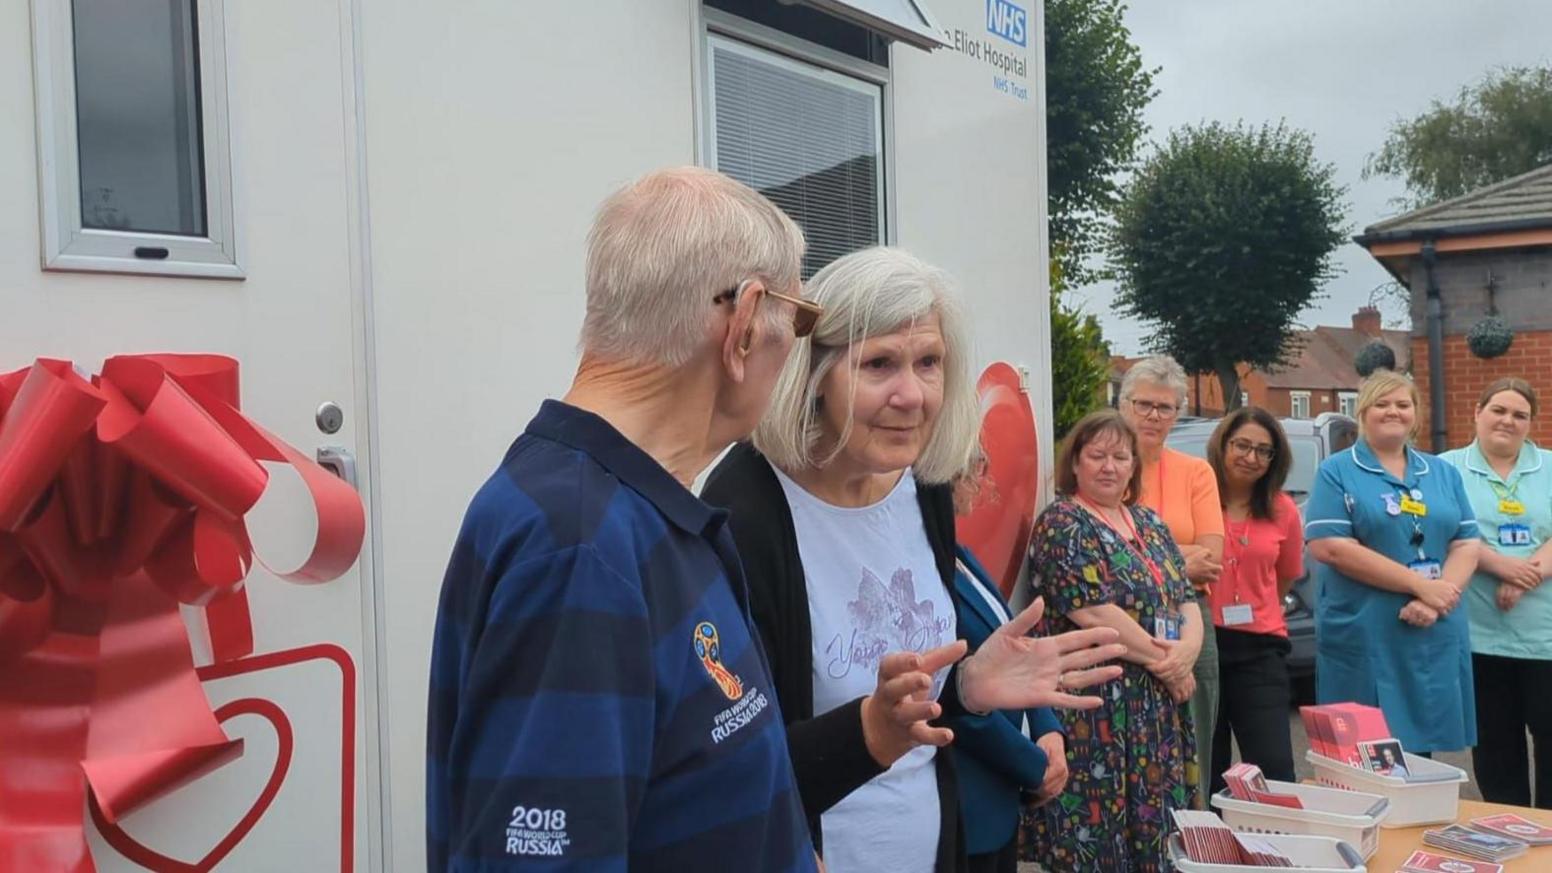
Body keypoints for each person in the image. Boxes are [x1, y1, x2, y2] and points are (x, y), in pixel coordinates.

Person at [428, 168, 938, 871]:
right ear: (742, 324)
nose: (792, 349)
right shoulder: (581, 550)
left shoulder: (640, 511)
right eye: (798, 321)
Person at [702, 247, 1125, 873]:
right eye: (878, 364)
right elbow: (728, 757)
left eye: (928, 362)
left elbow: (917, 714)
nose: (913, 395)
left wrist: (970, 688)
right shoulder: (745, 511)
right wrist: (869, 727)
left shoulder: (920, 485)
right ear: (814, 375)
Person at [1025, 409, 1200, 873]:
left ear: (1133, 466)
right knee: (1098, 845)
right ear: (1076, 463)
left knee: (1158, 838)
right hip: (1096, 711)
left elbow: (1186, 600)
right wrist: (1171, 665)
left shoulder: (1149, 522)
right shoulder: (1063, 522)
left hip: (1155, 708)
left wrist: (1186, 655)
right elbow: (1093, 611)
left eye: (1120, 456)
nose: (1109, 466)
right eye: (1096, 455)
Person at [1305, 370, 1480, 757]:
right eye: (1382, 404)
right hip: (1368, 632)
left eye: (1403, 404)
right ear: (1363, 412)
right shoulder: (1336, 471)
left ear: (1416, 413)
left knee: (1420, 757)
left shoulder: (1442, 472)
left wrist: (1436, 598)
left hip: (1429, 626)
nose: (1393, 412)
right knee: (1365, 755)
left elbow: (1467, 542)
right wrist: (1419, 585)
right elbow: (1330, 547)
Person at [945, 463, 1068, 873]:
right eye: (975, 464)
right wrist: (1034, 767)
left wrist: (1049, 728)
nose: (983, 478)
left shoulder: (960, 554)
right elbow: (951, 694)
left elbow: (1014, 650)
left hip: (998, 801)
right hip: (968, 805)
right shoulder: (925, 572)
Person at [1441, 377, 1552, 807]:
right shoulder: (1445, 467)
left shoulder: (1548, 465)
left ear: (1531, 423)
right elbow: (1441, 532)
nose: (1508, 420)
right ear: (1477, 412)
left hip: (1544, 638)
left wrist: (1527, 575)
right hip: (1479, 636)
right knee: (1495, 748)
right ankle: (1514, 840)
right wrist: (1499, 564)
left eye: (1519, 415)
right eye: (1499, 410)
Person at [1119, 355, 1223, 804]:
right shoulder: (1102, 465)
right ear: (1122, 404)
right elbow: (1098, 555)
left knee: (1194, 735)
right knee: (1126, 736)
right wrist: (1178, 557)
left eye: (1164, 408)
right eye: (1143, 404)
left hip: (1188, 616)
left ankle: (1193, 829)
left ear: (1178, 413)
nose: (1153, 416)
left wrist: (1130, 554)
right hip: (1120, 616)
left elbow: (1212, 557)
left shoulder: (1196, 472)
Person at [1204, 407, 1303, 795]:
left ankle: (1274, 850)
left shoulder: (1283, 510)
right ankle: (1207, 851)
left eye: (1264, 451)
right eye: (1242, 445)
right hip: (1203, 643)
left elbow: (1285, 575)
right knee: (1206, 766)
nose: (1251, 457)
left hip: (1260, 649)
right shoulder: (1199, 497)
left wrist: (1257, 607)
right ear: (1223, 445)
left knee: (1273, 768)